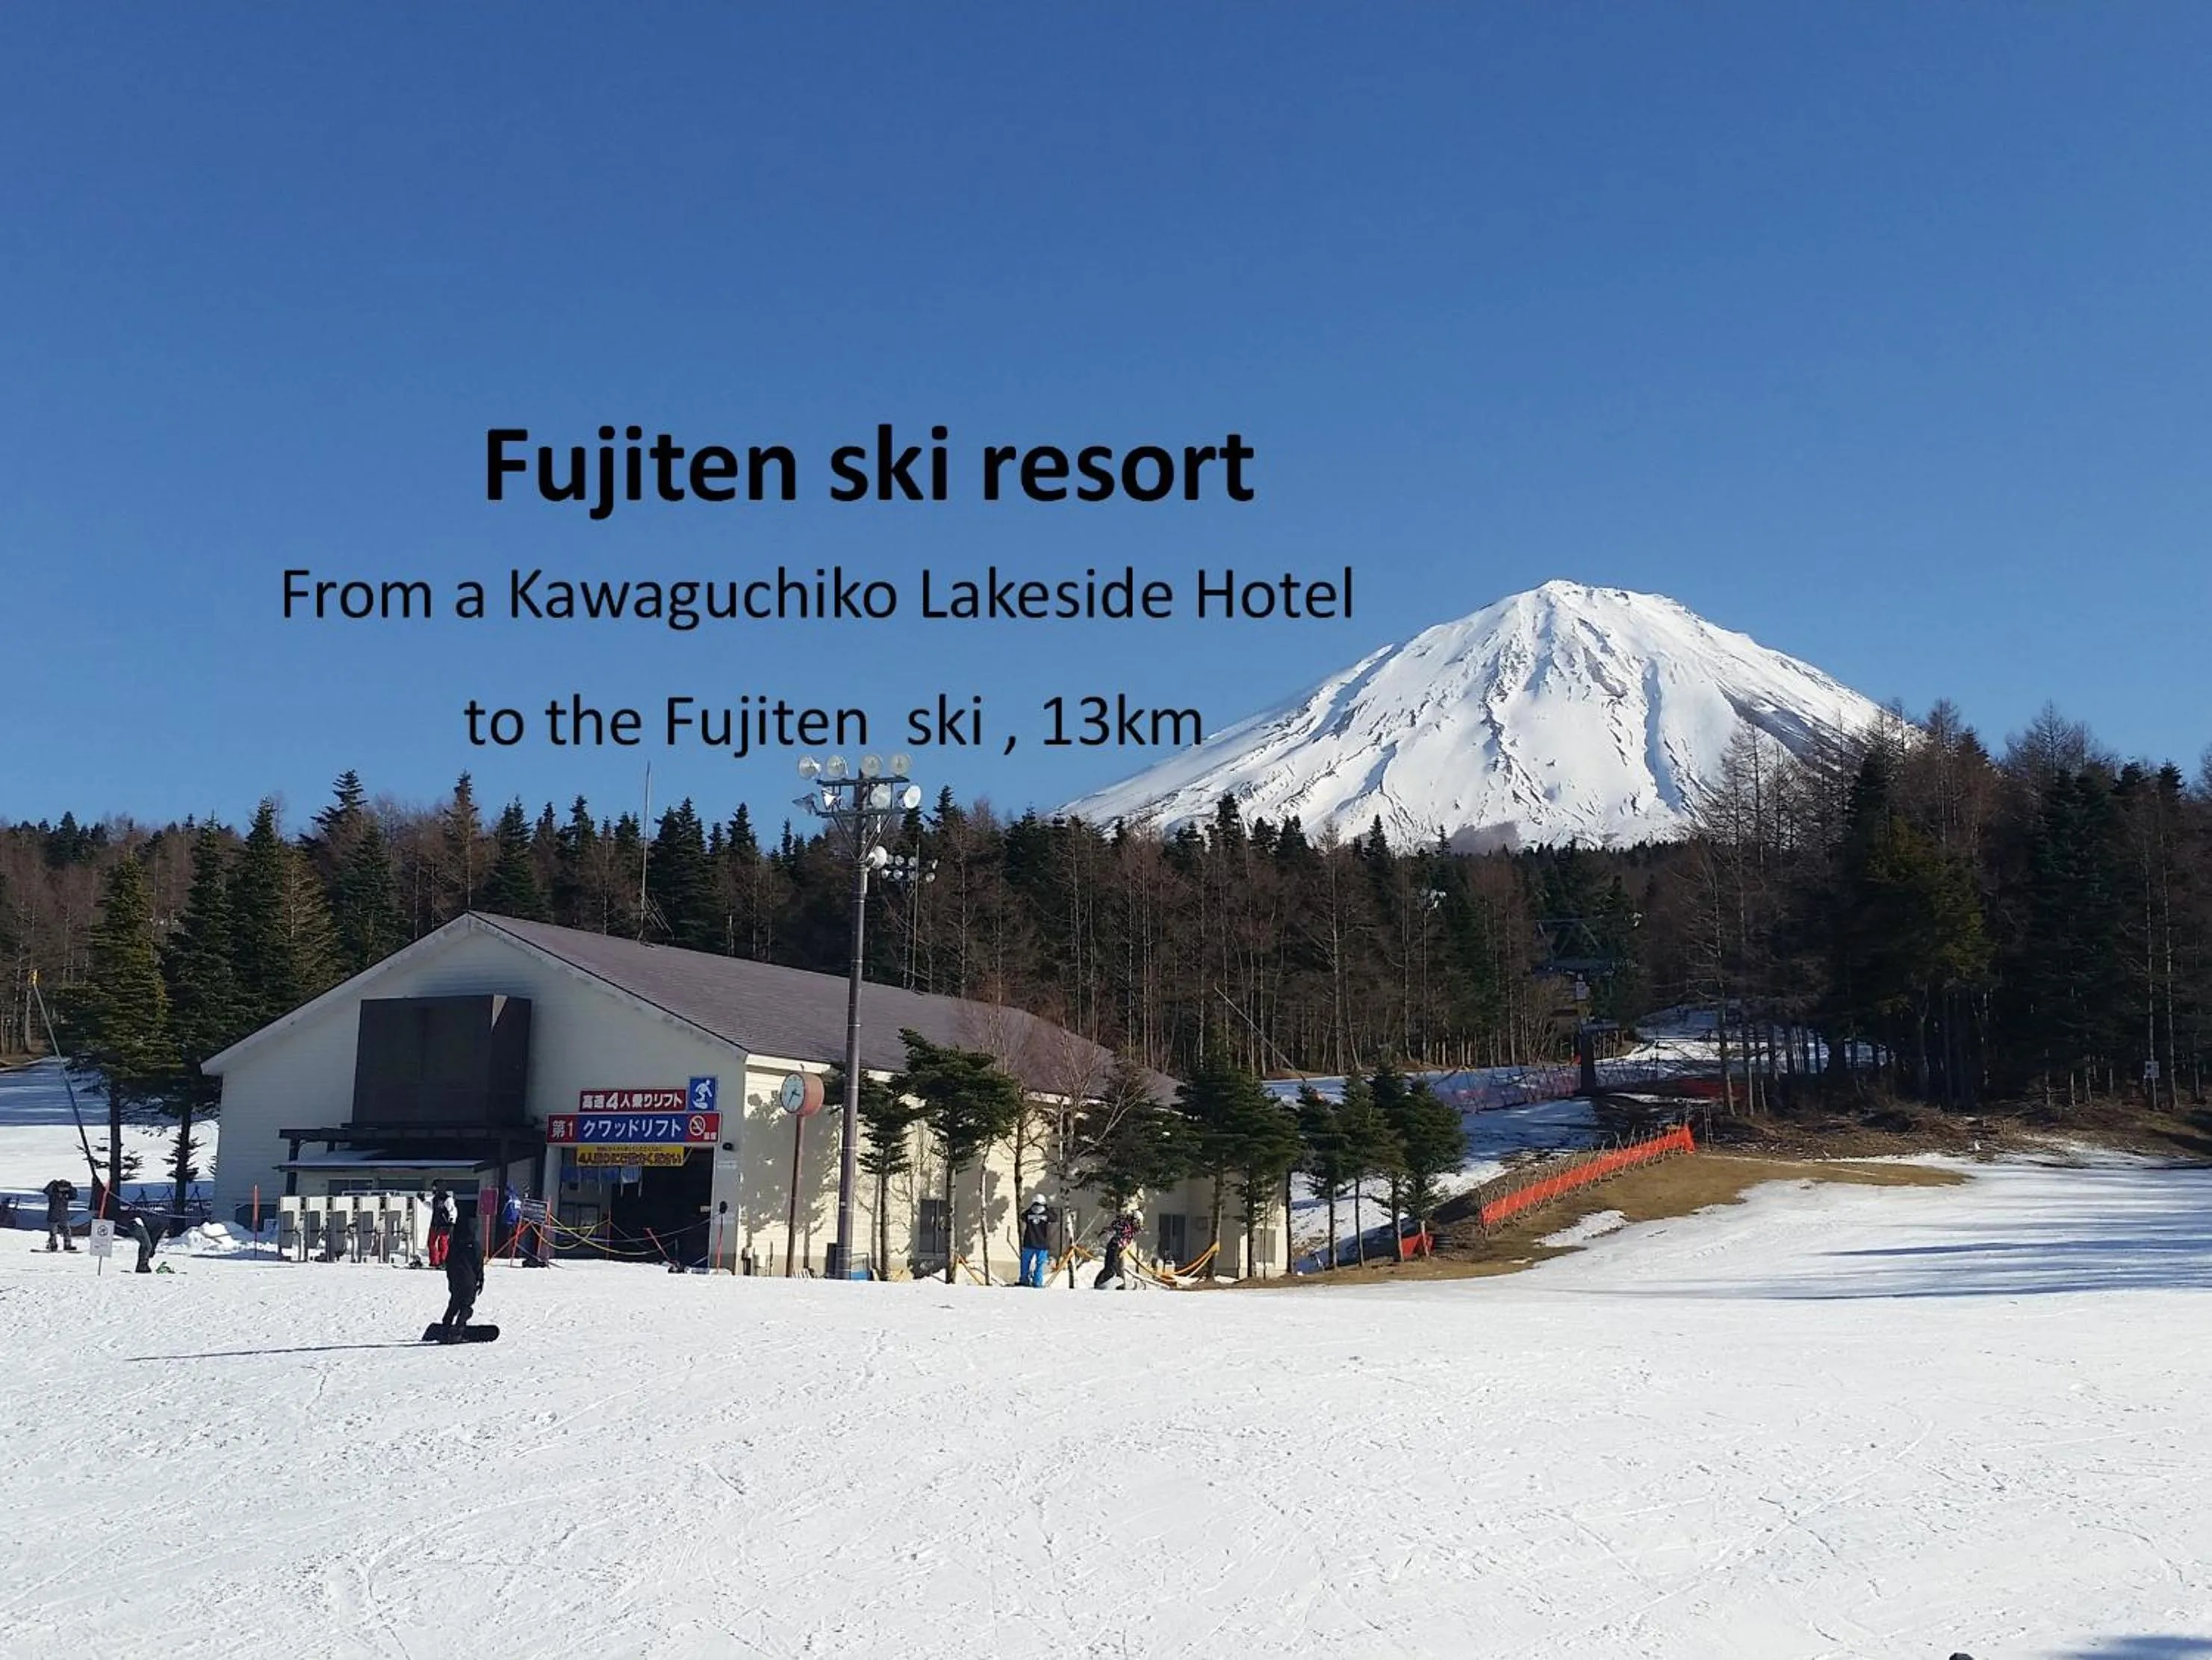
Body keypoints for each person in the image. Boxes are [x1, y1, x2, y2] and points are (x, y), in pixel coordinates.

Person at [438, 1212, 485, 1339]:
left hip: (455, 1279)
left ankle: (445, 1326)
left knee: (454, 1304)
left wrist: (451, 1281)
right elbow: (478, 1265)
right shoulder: (475, 1246)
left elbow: (449, 1263)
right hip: (469, 1280)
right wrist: (481, 1280)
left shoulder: (455, 1245)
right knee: (466, 1306)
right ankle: (459, 1328)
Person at [1093, 1207, 1140, 1290]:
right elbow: (1116, 1225)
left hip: (1118, 1248)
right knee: (1111, 1267)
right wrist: (1124, 1218)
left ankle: (1119, 1285)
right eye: (1138, 1222)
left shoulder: (1132, 1228)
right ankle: (1101, 1283)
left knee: (1116, 1268)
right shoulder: (1125, 1224)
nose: (1138, 1225)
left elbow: (1131, 1230)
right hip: (1114, 1246)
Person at [1018, 1195, 1053, 1288]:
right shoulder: (1047, 1213)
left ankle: (1024, 1280)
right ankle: (1037, 1282)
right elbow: (1054, 1218)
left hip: (1029, 1242)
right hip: (1042, 1244)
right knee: (1040, 1264)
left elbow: (1022, 1216)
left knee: (1025, 1263)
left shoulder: (1029, 1213)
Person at [43, 1176, 78, 1252]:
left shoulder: (66, 1194)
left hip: (63, 1216)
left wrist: (70, 1187)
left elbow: (74, 1196)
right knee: (53, 1232)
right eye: (61, 1187)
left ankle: (67, 1245)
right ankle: (53, 1245)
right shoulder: (53, 1193)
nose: (62, 1189)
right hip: (53, 1215)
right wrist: (53, 1184)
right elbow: (46, 1191)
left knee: (67, 1231)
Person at [427, 1183, 454, 1267]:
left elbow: (452, 1210)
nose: (433, 1190)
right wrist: (423, 1200)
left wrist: (451, 1221)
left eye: (435, 1187)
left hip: (444, 1224)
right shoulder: (435, 1198)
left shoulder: (448, 1199)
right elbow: (431, 1207)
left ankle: (443, 1261)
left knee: (442, 1243)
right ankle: (434, 1261)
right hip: (434, 1223)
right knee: (431, 1243)